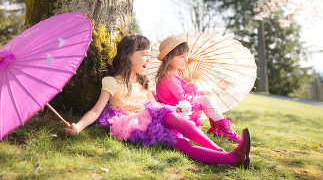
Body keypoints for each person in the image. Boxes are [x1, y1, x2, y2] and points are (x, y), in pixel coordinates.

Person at [65, 35, 251, 169]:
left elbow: (156, 106)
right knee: (181, 144)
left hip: (152, 114)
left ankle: (227, 153)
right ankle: (233, 159)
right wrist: (79, 126)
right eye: (144, 54)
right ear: (128, 55)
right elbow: (96, 111)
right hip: (134, 123)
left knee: (178, 120)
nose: (148, 59)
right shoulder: (112, 82)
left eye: (148, 55)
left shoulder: (143, 82)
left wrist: (177, 110)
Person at [156, 35, 241, 142]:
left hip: (177, 109)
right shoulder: (170, 77)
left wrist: (195, 88)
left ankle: (219, 126)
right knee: (204, 99)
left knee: (203, 96)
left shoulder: (172, 74)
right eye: (182, 56)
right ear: (167, 58)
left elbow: (184, 89)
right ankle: (225, 129)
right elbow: (182, 97)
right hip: (174, 113)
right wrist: (198, 94)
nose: (186, 59)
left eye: (186, 55)